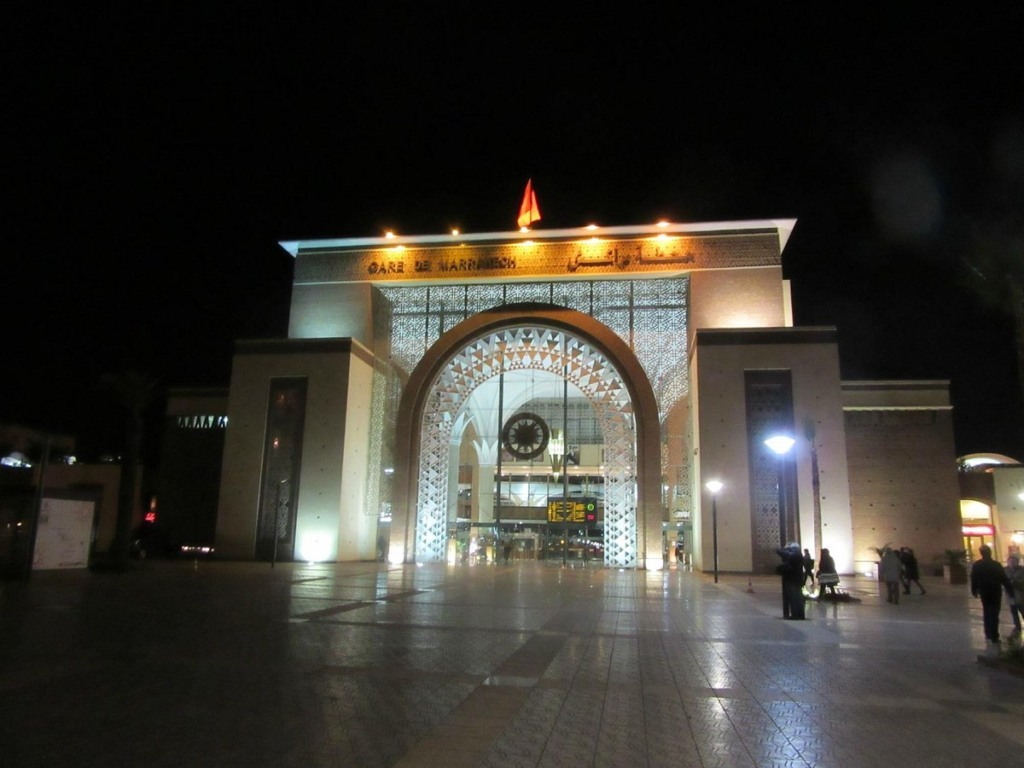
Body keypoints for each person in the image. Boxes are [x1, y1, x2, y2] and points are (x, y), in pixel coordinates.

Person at [970, 544, 1012, 643]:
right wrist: (1010, 590)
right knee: (994, 612)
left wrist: (974, 590)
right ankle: (994, 635)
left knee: (987, 611)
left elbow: (973, 578)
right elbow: (1004, 578)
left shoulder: (977, 565)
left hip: (984, 591)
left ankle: (988, 633)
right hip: (995, 591)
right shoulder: (996, 565)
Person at [775, 542, 805, 619]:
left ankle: (795, 615)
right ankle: (800, 615)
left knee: (793, 598)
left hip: (791, 580)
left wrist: (785, 548)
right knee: (798, 598)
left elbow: (779, 551)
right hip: (797, 580)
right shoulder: (799, 555)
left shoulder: (794, 555)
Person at [1005, 554, 1024, 638]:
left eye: (1013, 561)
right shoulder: (1005, 570)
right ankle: (1017, 627)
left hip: (1020, 595)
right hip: (1010, 595)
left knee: (1023, 611)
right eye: (1010, 561)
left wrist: (1014, 582)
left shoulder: (1022, 570)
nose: (1011, 563)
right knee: (1014, 612)